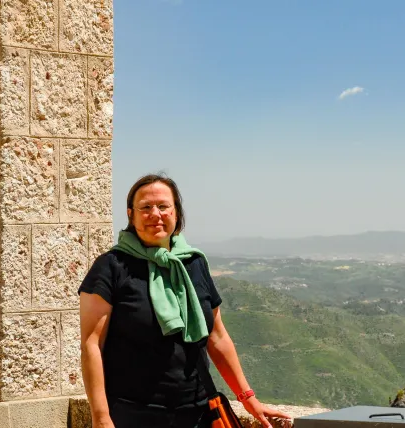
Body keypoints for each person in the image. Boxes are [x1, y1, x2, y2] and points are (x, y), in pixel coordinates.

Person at [78, 173, 291, 428]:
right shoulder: (111, 267)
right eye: (145, 207)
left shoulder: (193, 263)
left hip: (197, 413)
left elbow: (217, 336)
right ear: (131, 215)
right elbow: (92, 345)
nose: (155, 214)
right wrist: (101, 418)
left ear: (176, 213)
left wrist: (248, 398)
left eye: (163, 206)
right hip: (133, 414)